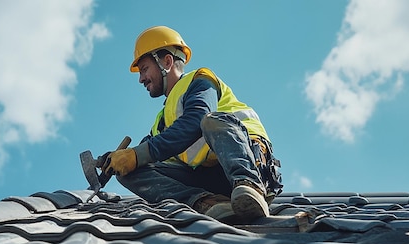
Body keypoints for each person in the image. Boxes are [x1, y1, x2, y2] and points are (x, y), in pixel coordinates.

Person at [102, 26, 282, 222]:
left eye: (144, 69)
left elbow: (196, 119)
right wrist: (116, 160)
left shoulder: (200, 80)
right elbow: (149, 153)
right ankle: (207, 203)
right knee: (131, 170)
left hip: (249, 162)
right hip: (213, 179)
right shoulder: (161, 121)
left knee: (211, 121)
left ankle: (250, 188)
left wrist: (137, 154)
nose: (141, 79)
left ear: (167, 62)